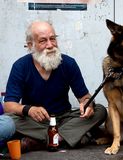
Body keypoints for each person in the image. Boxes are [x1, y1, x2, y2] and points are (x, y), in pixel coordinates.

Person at [4, 20, 107, 153]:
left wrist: (88, 104)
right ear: (31, 45)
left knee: (100, 111)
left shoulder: (68, 63)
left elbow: (85, 97)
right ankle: (68, 138)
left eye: (52, 39)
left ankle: (40, 142)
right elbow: (8, 106)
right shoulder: (20, 66)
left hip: (64, 119)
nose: (50, 45)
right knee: (9, 121)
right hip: (34, 122)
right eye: (43, 41)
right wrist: (28, 109)